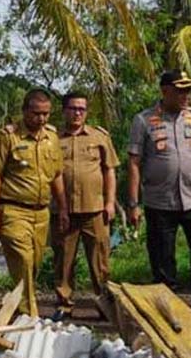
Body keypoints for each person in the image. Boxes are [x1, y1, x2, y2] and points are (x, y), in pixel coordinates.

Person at [127, 70, 191, 324]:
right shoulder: (144, 120)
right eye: (180, 90)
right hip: (159, 202)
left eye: (188, 90)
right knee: (162, 260)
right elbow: (135, 163)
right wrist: (133, 204)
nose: (186, 95)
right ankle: (167, 313)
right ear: (165, 90)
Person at [0, 89, 69, 317]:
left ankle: (18, 306)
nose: (41, 119)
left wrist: (63, 209)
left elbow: (57, 175)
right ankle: (28, 317)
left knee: (34, 265)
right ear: (24, 111)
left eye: (46, 114)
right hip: (13, 210)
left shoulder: (52, 138)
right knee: (23, 259)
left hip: (41, 213)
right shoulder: (8, 137)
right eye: (36, 114)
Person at [51, 91, 120, 321]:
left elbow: (110, 170)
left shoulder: (99, 137)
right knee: (63, 260)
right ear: (64, 111)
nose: (77, 113)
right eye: (73, 108)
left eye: (82, 109)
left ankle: (104, 303)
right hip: (63, 211)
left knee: (100, 261)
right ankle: (64, 304)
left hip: (95, 210)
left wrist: (110, 203)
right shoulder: (52, 138)